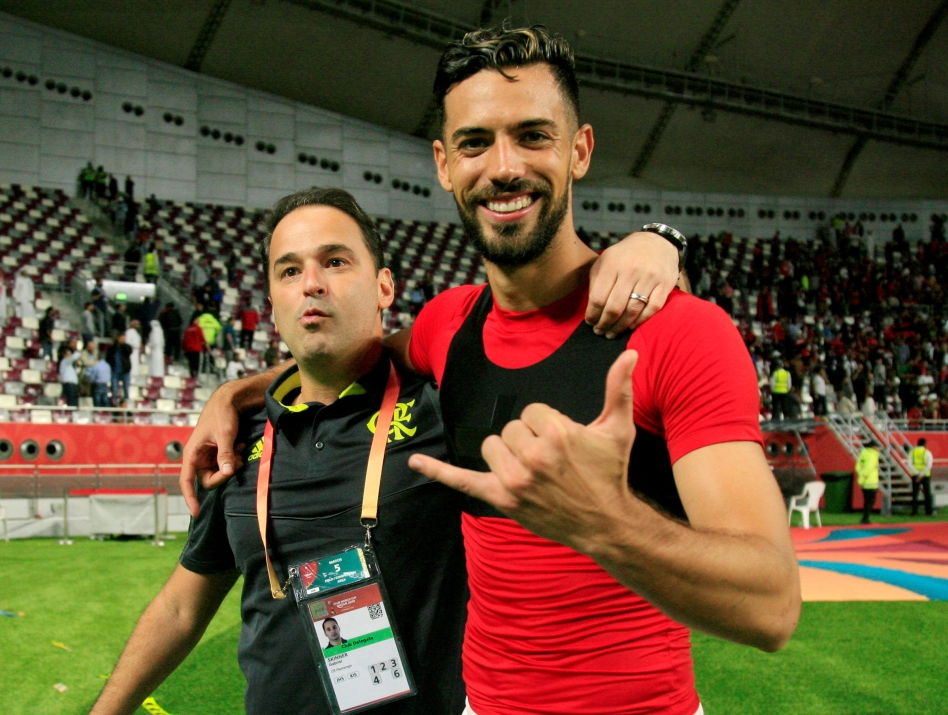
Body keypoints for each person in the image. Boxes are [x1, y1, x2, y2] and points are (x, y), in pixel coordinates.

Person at [181, 26, 797, 715]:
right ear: (445, 164)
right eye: (476, 142)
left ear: (580, 151)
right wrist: (235, 392)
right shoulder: (448, 326)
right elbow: (348, 355)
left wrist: (605, 523)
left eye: (533, 135)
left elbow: (772, 605)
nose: (503, 166)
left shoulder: (680, 332)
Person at [90, 188, 472, 715]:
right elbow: (182, 607)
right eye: (289, 271)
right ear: (272, 305)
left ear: (384, 286)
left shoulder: (440, 408)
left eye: (335, 261)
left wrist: (631, 251)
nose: (311, 283)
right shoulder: (237, 438)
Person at [856, 441, 880, 525]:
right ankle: (865, 519)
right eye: (877, 447)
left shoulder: (863, 454)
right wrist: (864, 477)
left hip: (864, 483)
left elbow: (858, 467)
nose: (878, 449)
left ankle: (865, 519)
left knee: (866, 502)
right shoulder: (873, 455)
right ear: (873, 447)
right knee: (870, 502)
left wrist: (861, 478)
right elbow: (869, 468)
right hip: (871, 482)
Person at [909, 437, 934, 517]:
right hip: (925, 475)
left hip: (915, 475)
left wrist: (917, 473)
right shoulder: (927, 452)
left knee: (915, 494)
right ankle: (929, 511)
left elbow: (909, 464)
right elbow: (929, 465)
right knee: (927, 494)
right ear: (925, 444)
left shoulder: (912, 452)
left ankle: (914, 512)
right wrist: (922, 474)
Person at [107, 334, 133, 406]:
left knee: (126, 389)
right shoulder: (112, 348)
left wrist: (123, 345)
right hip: (115, 371)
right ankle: (114, 403)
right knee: (114, 389)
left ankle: (126, 403)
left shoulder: (126, 347)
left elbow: (129, 352)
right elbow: (109, 358)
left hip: (125, 372)